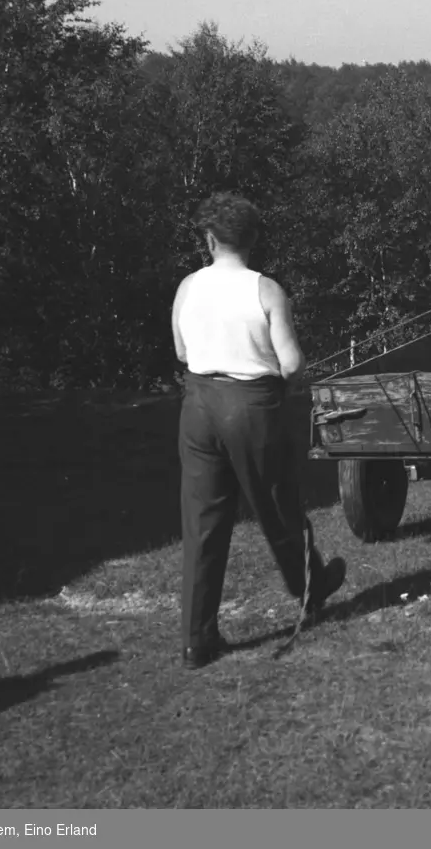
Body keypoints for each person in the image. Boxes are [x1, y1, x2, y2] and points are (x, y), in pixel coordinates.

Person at [171, 192, 345, 669]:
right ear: (252, 240)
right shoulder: (266, 290)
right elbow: (291, 363)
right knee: (277, 505)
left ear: (210, 240)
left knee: (202, 524)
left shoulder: (188, 286)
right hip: (252, 407)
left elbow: (182, 351)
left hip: (199, 406)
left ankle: (195, 640)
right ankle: (310, 589)